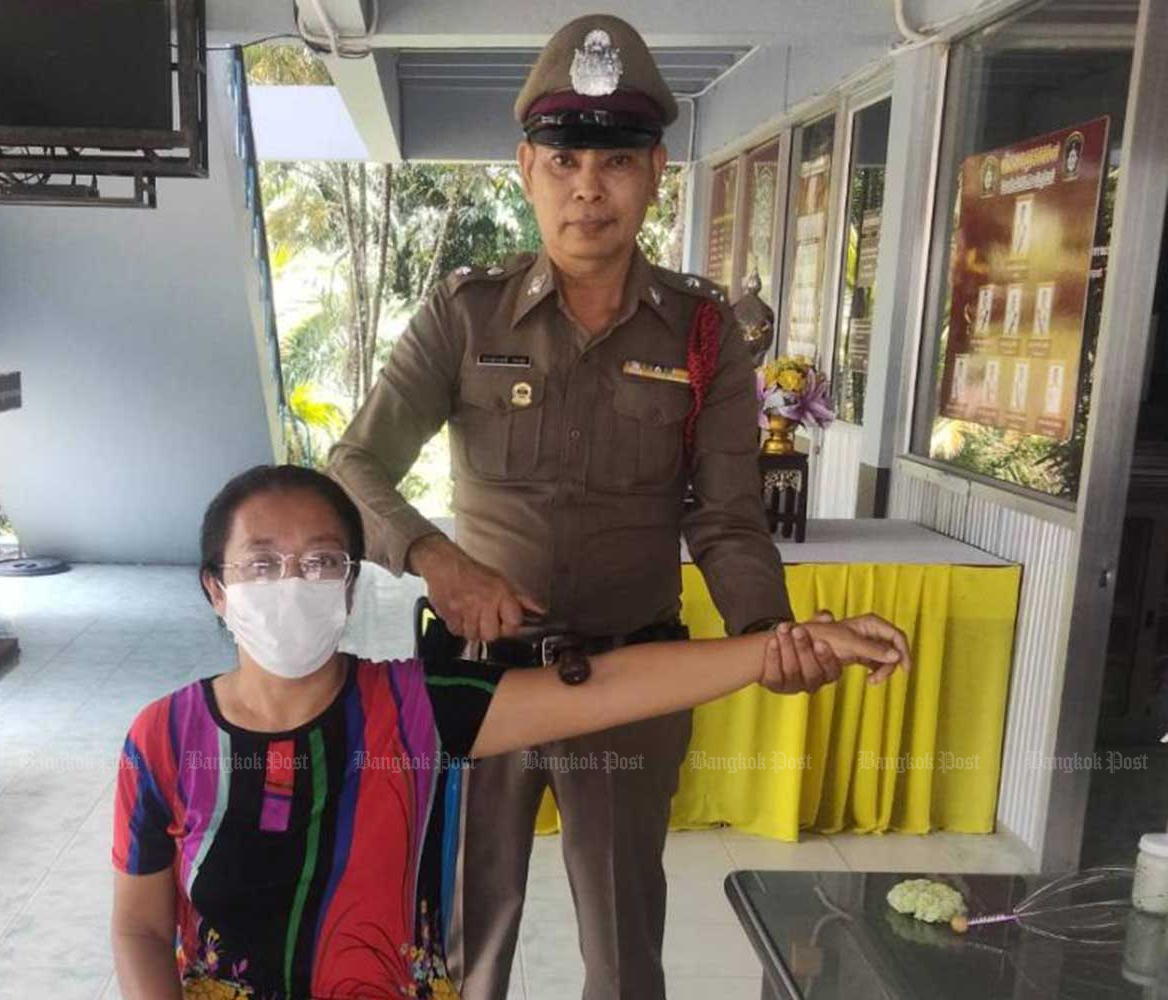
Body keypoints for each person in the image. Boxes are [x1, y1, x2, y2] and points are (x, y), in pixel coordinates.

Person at [326, 13, 910, 1000]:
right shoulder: (463, 316)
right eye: (562, 158)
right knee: (463, 940)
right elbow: (353, 462)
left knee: (625, 945)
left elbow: (724, 514)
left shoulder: (703, 331)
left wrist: (767, 635)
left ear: (654, 172)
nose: (586, 185)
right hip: (484, 681)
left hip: (633, 676)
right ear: (525, 166)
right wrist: (435, 558)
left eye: (614, 159)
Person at [110, 465, 908, 1000]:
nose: (294, 583)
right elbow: (141, 926)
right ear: (217, 589)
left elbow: (608, 687)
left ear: (350, 590)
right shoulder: (163, 741)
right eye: (262, 563)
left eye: (322, 562)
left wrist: (780, 647)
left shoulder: (418, 710)